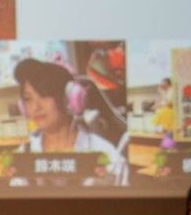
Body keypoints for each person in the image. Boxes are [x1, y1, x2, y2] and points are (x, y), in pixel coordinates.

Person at [13, 57, 128, 185]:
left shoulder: (107, 156)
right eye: (28, 98)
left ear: (69, 98)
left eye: (44, 95)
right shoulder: (22, 157)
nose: (36, 107)